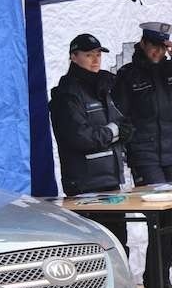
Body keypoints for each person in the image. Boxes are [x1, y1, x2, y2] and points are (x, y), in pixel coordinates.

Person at [112, 22, 172, 288]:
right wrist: (131, 143)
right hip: (145, 155)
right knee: (157, 216)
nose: (157, 51)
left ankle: (160, 281)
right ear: (142, 44)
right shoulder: (128, 74)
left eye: (162, 46)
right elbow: (119, 114)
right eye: (152, 45)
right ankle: (156, 284)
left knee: (170, 222)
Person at [49, 33, 133, 253]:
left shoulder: (104, 87)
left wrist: (123, 130)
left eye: (98, 54)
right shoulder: (66, 94)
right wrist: (114, 131)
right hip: (85, 187)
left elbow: (121, 124)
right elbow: (80, 137)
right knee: (95, 250)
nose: (96, 60)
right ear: (73, 57)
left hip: (111, 182)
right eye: (89, 55)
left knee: (118, 247)